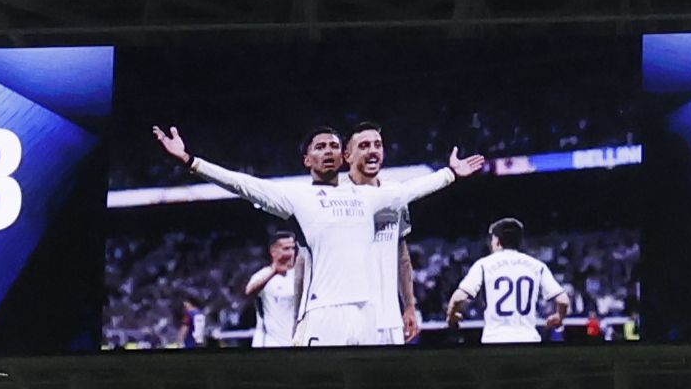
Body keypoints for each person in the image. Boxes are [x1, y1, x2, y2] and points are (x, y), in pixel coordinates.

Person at [151, 122, 484, 347]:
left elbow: (411, 190)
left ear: (342, 157)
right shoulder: (297, 197)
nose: (328, 151)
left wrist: (450, 174)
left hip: (367, 314)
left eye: (334, 146)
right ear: (307, 158)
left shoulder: (366, 197)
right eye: (321, 147)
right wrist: (190, 161)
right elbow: (242, 184)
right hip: (324, 314)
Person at [445, 219, 570, 344]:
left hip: (494, 339)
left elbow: (458, 298)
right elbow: (563, 300)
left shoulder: (483, 265)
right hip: (528, 339)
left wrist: (452, 316)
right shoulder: (537, 266)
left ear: (498, 241)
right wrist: (559, 317)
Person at [244, 230, 301, 349]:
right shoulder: (263, 275)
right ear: (273, 251)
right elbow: (248, 292)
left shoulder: (298, 276)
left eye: (293, 248)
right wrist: (274, 271)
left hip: (294, 342)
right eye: (286, 249)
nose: (291, 253)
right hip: (269, 343)